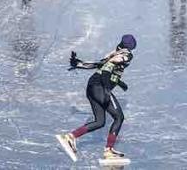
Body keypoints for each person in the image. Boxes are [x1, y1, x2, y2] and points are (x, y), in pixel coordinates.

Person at [56, 35, 137, 164]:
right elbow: (109, 66)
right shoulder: (125, 55)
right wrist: (106, 89)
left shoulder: (113, 53)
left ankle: (70, 137)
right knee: (119, 117)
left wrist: (78, 64)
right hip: (100, 87)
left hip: (92, 87)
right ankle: (108, 150)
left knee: (100, 122)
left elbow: (99, 65)